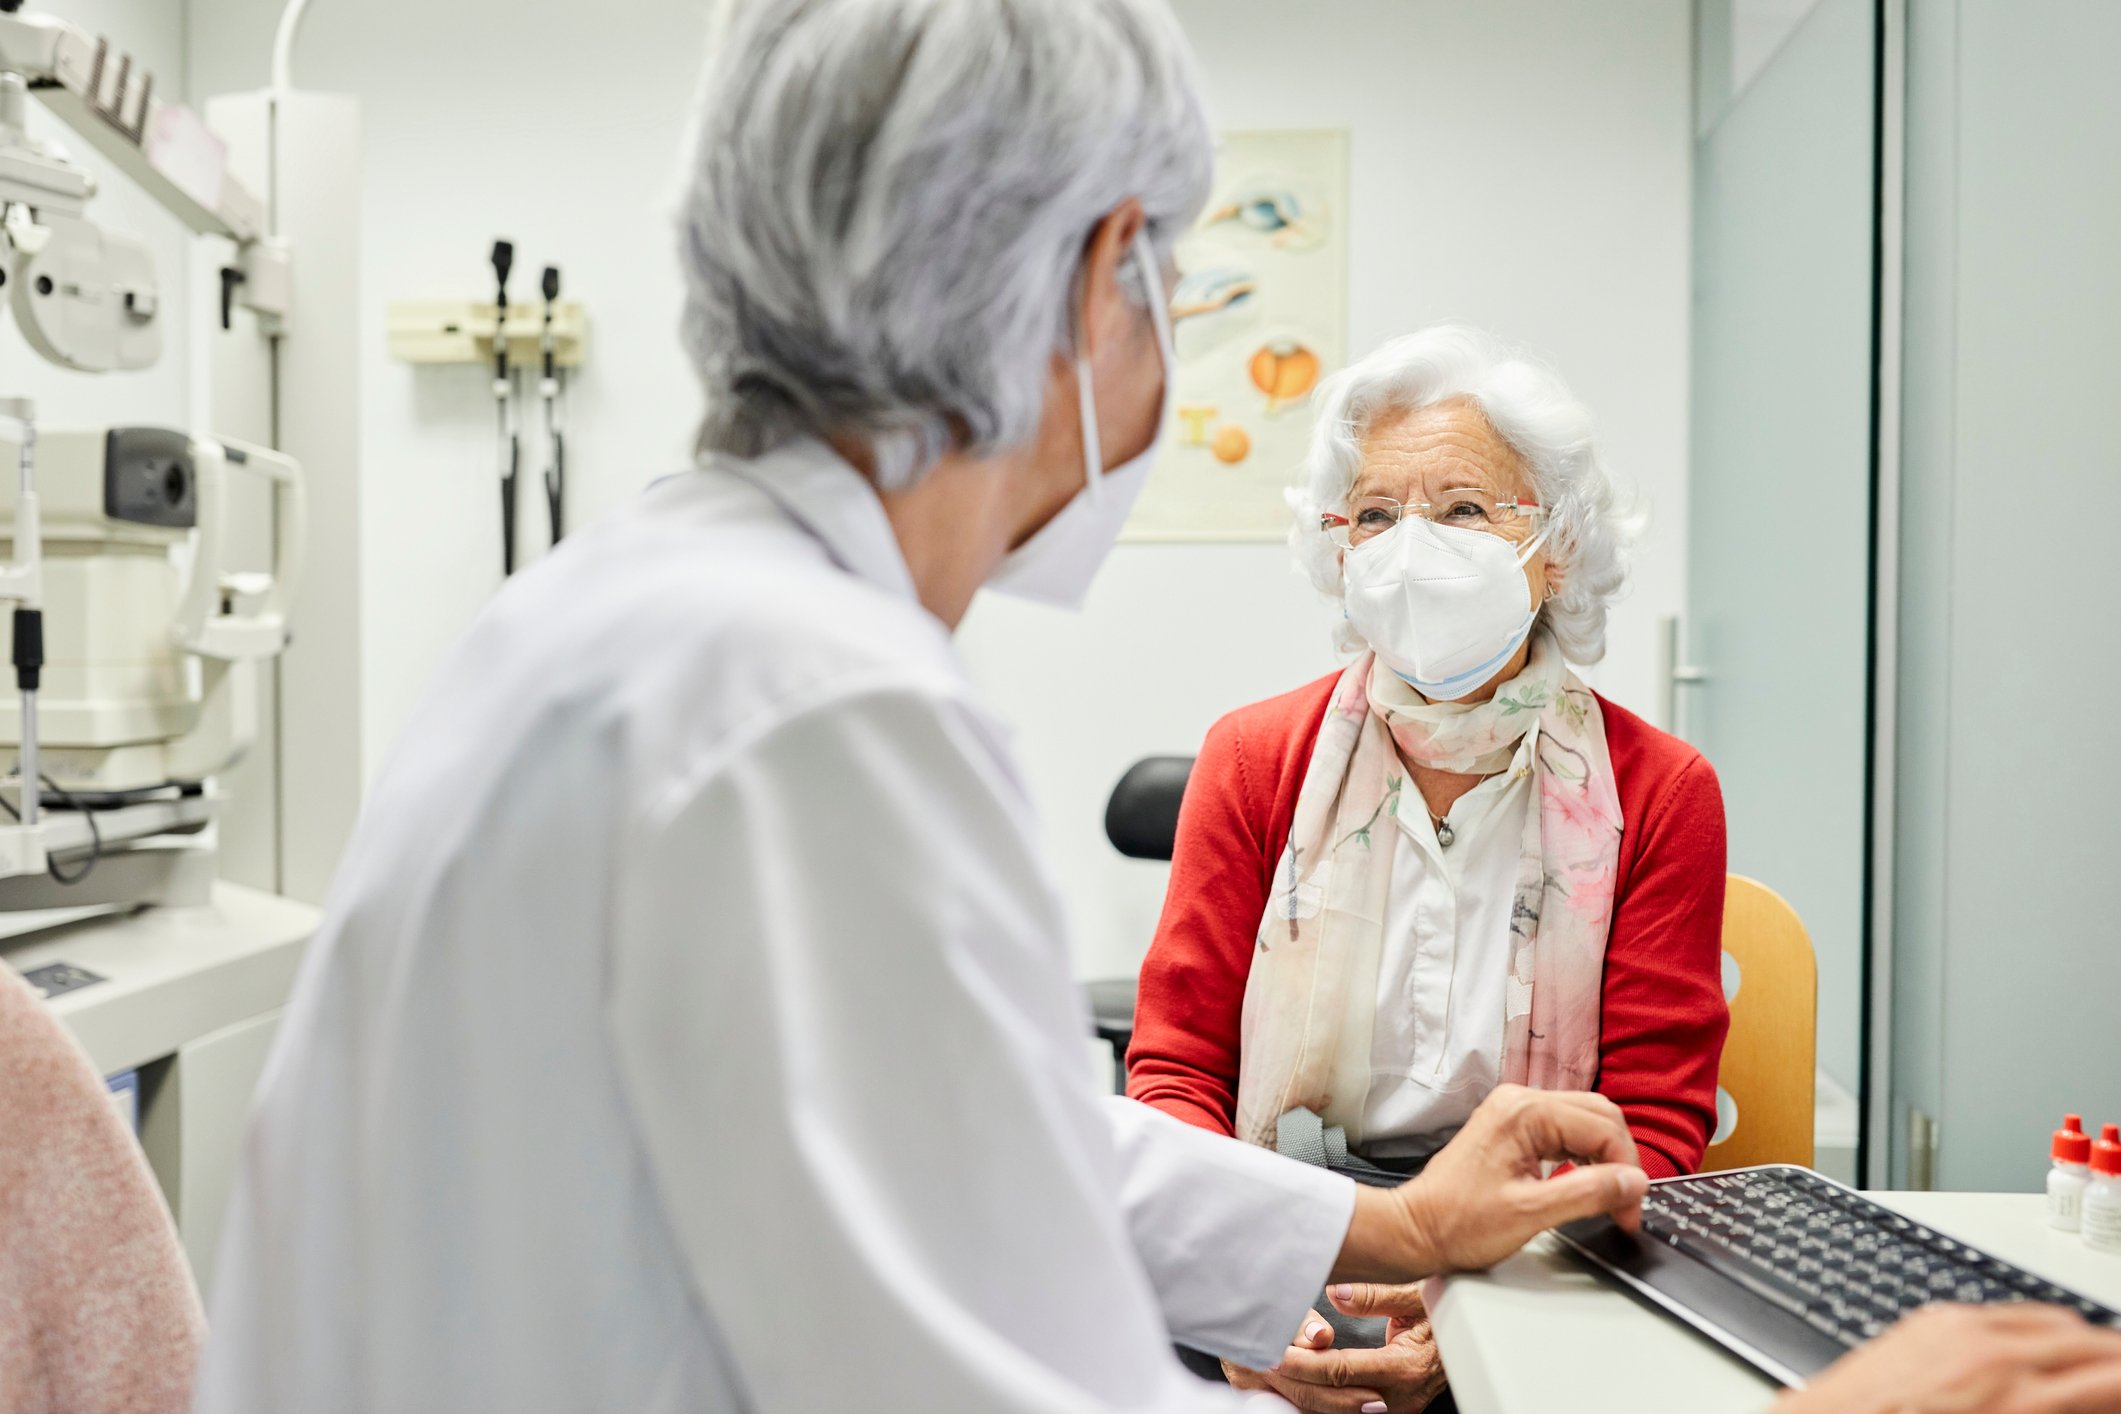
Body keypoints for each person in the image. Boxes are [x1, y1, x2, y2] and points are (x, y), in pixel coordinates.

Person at [191, 2, 2121, 1412]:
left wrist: (1397, 1227)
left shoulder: (622, 619)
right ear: (1105, 271)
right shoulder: (812, 712)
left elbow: (998, 1142)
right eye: (1170, 282)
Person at [1125, 326, 1728, 1401]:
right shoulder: (1253, 760)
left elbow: (1655, 1130)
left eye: (1462, 509)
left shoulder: (1661, 790)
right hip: (1287, 1219)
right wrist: (1241, 1296)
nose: (1412, 547)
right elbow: (1177, 1076)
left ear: (1557, 545)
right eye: (1374, 514)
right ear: (1337, 550)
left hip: (1544, 1246)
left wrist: (1477, 1321)